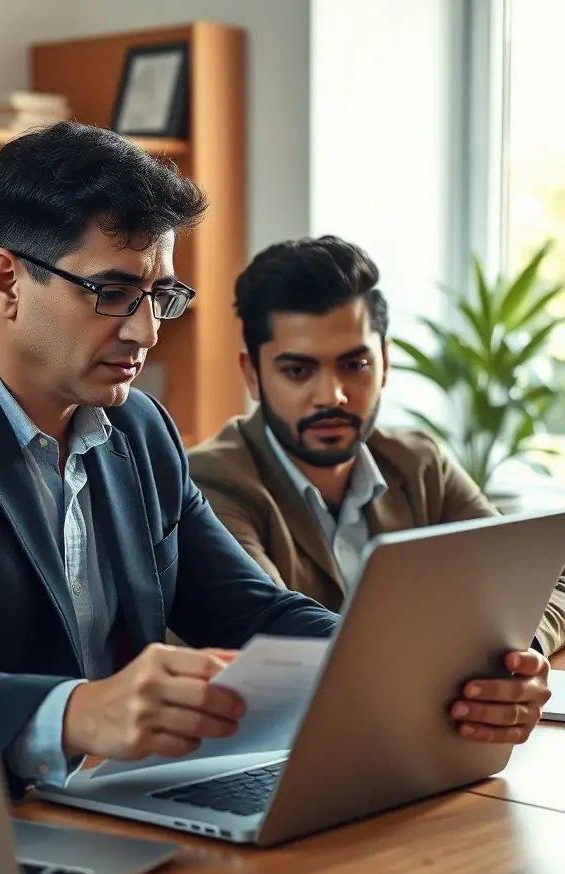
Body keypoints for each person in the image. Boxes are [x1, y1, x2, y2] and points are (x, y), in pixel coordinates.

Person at [0, 135, 547, 804]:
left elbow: (257, 614)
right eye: (113, 292)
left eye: (161, 294)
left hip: (122, 813)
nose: (146, 329)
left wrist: (445, 674)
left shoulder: (139, 428)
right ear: (5, 282)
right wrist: (76, 711)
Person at [187, 234, 557, 740]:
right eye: (298, 370)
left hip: (431, 742)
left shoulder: (419, 462)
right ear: (252, 375)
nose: (332, 395)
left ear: (385, 361)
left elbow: (536, 581)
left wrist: (520, 655)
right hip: (282, 750)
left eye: (353, 364)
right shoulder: (210, 481)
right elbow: (277, 652)